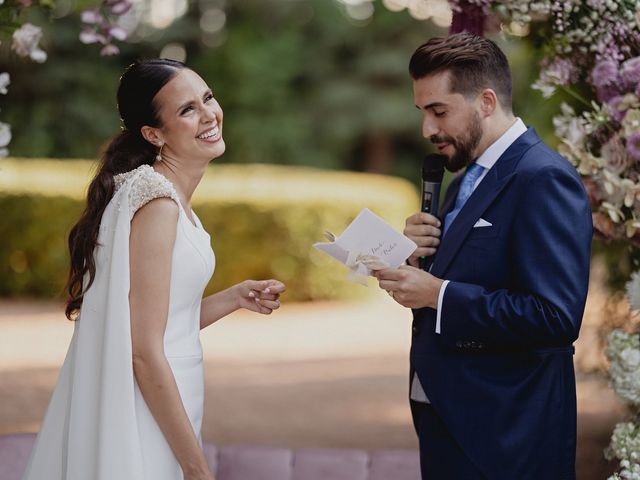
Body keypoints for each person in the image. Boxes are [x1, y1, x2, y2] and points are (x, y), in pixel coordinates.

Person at [22, 59, 285, 480]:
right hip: (146, 410)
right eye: (187, 110)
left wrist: (234, 297)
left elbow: (158, 323)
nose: (208, 115)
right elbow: (143, 352)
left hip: (167, 396)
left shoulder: (155, 192)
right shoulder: (158, 204)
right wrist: (196, 466)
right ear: (153, 133)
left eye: (208, 98)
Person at [374, 33, 592, 479]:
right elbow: (478, 273)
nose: (427, 130)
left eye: (439, 111)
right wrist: (421, 259)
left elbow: (554, 316)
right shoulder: (464, 177)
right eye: (422, 113)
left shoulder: (544, 178)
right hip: (450, 419)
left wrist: (439, 294)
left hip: (508, 434)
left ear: (486, 101)